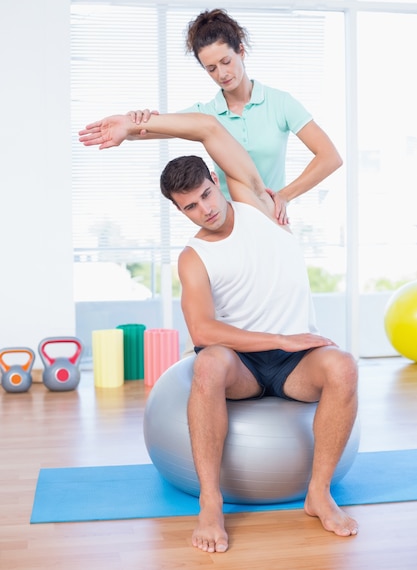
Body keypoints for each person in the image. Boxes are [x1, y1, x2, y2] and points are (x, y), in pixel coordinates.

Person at [79, 111, 359, 554]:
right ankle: (211, 502)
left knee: (343, 366)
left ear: (216, 178)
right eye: (190, 206)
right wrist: (280, 340)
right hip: (242, 363)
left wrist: (135, 128)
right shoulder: (193, 257)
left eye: (207, 194)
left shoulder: (259, 206)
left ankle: (318, 493)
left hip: (296, 362)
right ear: (178, 210)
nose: (205, 209)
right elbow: (203, 329)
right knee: (207, 361)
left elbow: (208, 128)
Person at [126, 8, 343, 225]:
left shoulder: (281, 103)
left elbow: (330, 157)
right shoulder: (205, 116)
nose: (221, 74)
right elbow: (139, 133)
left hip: (270, 218)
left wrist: (284, 196)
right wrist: (135, 120)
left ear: (241, 51)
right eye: (211, 68)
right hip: (228, 224)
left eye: (226, 61)